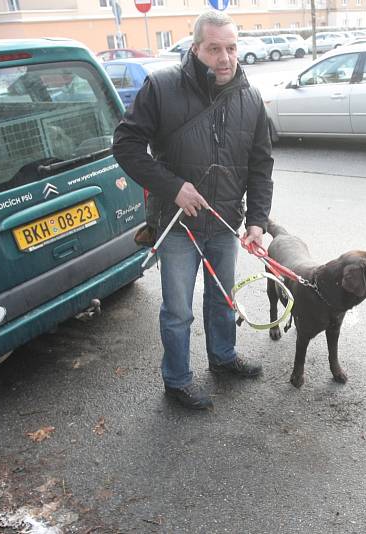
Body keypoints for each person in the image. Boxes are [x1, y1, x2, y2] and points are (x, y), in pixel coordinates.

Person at [112, 10, 274, 410]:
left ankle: (222, 358)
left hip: (223, 222)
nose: (225, 58)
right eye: (214, 48)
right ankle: (177, 382)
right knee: (178, 311)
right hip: (177, 225)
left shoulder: (250, 97)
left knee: (222, 299)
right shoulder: (163, 87)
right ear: (195, 48)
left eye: (231, 48)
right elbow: (126, 145)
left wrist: (256, 220)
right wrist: (173, 188)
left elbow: (260, 164)